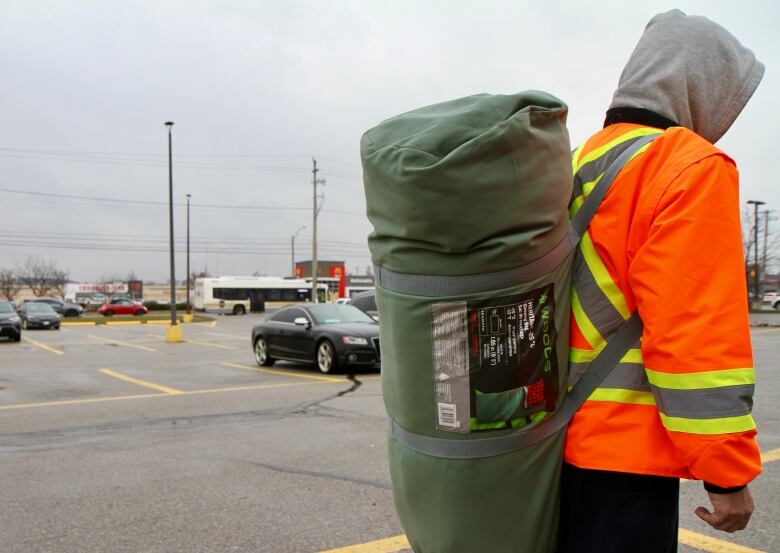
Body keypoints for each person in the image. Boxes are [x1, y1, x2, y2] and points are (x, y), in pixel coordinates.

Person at [556, 10, 764, 552]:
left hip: (549, 443)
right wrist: (726, 473)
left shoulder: (580, 161)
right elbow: (693, 333)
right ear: (702, 86)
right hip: (624, 461)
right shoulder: (688, 166)